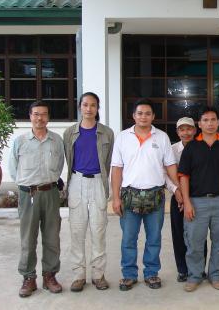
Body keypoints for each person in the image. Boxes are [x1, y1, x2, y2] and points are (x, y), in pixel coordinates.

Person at [111, 98, 180, 291]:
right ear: (133, 116)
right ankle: (129, 274)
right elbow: (116, 169)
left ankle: (151, 273)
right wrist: (116, 198)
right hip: (129, 196)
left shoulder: (162, 137)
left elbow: (170, 165)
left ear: (153, 116)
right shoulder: (123, 137)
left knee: (154, 238)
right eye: (140, 113)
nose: (143, 117)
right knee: (128, 239)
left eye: (147, 113)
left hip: (155, 196)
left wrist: (178, 188)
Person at [9, 101, 64, 297]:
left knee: (52, 237)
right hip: (28, 195)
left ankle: (49, 276)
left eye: (43, 114)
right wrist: (27, 185)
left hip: (50, 193)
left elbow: (59, 166)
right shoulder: (21, 141)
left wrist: (48, 182)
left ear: (48, 117)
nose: (40, 118)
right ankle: (28, 278)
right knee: (28, 238)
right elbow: (13, 168)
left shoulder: (56, 140)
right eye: (36, 114)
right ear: (30, 116)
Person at [179, 106, 219, 292]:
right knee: (195, 243)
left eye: (213, 120)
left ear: (218, 122)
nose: (210, 123)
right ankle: (195, 276)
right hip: (197, 202)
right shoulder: (192, 147)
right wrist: (187, 202)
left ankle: (216, 274)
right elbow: (184, 177)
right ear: (199, 124)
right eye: (205, 120)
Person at [63, 92, 114, 292]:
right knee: (77, 231)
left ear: (97, 108)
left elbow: (108, 161)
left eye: (93, 105)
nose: (89, 109)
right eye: (85, 105)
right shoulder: (70, 133)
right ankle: (78, 275)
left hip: (98, 184)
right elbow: (68, 158)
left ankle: (98, 275)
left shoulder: (106, 133)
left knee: (98, 231)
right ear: (80, 107)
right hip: (77, 182)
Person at [165, 116, 207, 282]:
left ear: (195, 130)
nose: (186, 132)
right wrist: (176, 191)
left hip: (198, 197)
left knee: (198, 235)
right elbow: (166, 173)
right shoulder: (172, 149)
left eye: (189, 129)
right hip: (178, 197)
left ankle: (199, 269)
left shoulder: (202, 147)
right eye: (182, 129)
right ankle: (182, 269)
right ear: (177, 132)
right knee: (179, 233)